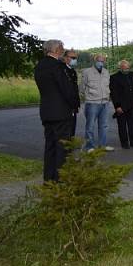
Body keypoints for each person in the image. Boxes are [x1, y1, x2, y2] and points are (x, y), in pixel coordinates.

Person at [34, 39, 79, 182]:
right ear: (56, 50)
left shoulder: (40, 65)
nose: (62, 50)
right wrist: (74, 104)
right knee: (62, 147)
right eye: (61, 48)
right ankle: (61, 179)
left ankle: (49, 179)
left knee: (50, 146)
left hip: (47, 111)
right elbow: (66, 88)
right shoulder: (58, 66)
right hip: (61, 112)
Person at [109, 59, 133, 149]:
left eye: (128, 68)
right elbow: (114, 93)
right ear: (120, 68)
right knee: (122, 125)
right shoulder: (114, 77)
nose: (126, 70)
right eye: (124, 68)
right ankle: (124, 143)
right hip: (121, 105)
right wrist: (117, 106)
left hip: (132, 104)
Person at [80, 53, 111, 150]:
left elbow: (107, 86)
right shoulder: (87, 72)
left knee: (104, 126)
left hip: (105, 103)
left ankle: (103, 146)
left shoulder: (106, 72)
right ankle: (89, 147)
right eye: (99, 61)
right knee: (90, 126)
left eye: (102, 61)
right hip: (92, 103)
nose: (100, 63)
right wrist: (87, 98)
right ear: (95, 61)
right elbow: (82, 88)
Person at [61, 48, 80, 137]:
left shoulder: (72, 71)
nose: (74, 60)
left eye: (75, 58)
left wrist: (76, 104)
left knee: (72, 127)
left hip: (73, 105)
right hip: (65, 105)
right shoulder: (61, 70)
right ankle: (65, 148)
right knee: (65, 128)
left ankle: (70, 145)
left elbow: (74, 89)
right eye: (72, 57)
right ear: (65, 58)